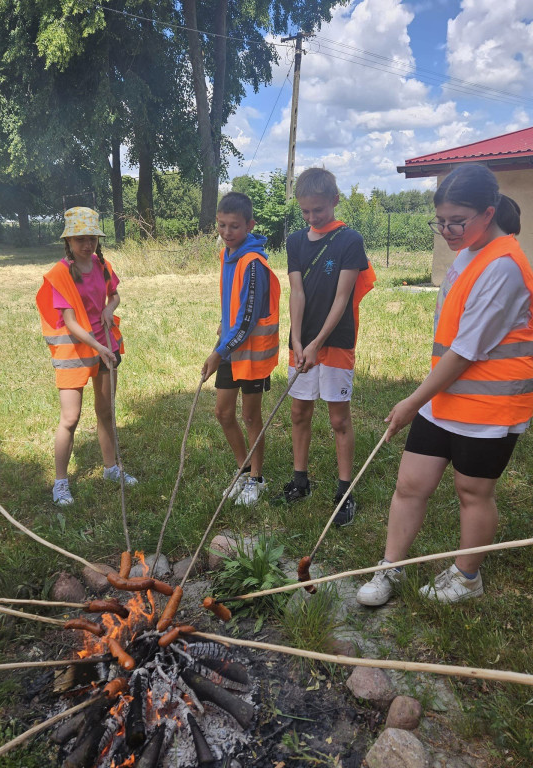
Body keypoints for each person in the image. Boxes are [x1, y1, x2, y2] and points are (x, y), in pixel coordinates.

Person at [357, 163, 533, 606]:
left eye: (458, 221)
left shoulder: (505, 265)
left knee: (473, 492)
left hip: (488, 409)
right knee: (410, 483)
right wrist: (426, 399)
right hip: (445, 396)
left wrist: (412, 401)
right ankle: (389, 567)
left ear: (488, 212)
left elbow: (468, 349)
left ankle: (466, 576)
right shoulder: (470, 252)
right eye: (442, 221)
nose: (448, 230)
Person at [275, 168, 375, 525]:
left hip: (335, 342)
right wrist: (299, 340)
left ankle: (344, 490)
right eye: (305, 211)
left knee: (338, 418)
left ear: (334, 200)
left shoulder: (350, 240)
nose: (312, 217)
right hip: (302, 343)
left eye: (318, 209)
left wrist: (318, 342)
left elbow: (342, 297)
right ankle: (300, 479)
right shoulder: (295, 242)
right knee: (299, 412)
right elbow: (297, 292)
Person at [36, 207, 137, 505]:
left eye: (91, 238)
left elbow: (114, 294)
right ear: (68, 241)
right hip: (76, 350)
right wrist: (98, 347)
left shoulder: (102, 265)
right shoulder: (61, 274)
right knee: (70, 417)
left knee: (106, 411)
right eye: (80, 238)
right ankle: (61, 483)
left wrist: (110, 307)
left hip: (105, 344)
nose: (87, 244)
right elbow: (69, 321)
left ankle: (110, 468)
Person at [201, 192, 281, 506]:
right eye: (221, 225)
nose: (226, 232)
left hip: (250, 354)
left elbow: (247, 320)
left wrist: (218, 351)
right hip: (229, 348)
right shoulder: (228, 255)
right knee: (223, 413)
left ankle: (256, 478)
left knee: (250, 416)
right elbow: (232, 307)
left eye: (234, 226)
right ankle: (243, 469)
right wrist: (222, 334)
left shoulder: (252, 263)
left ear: (250, 224)